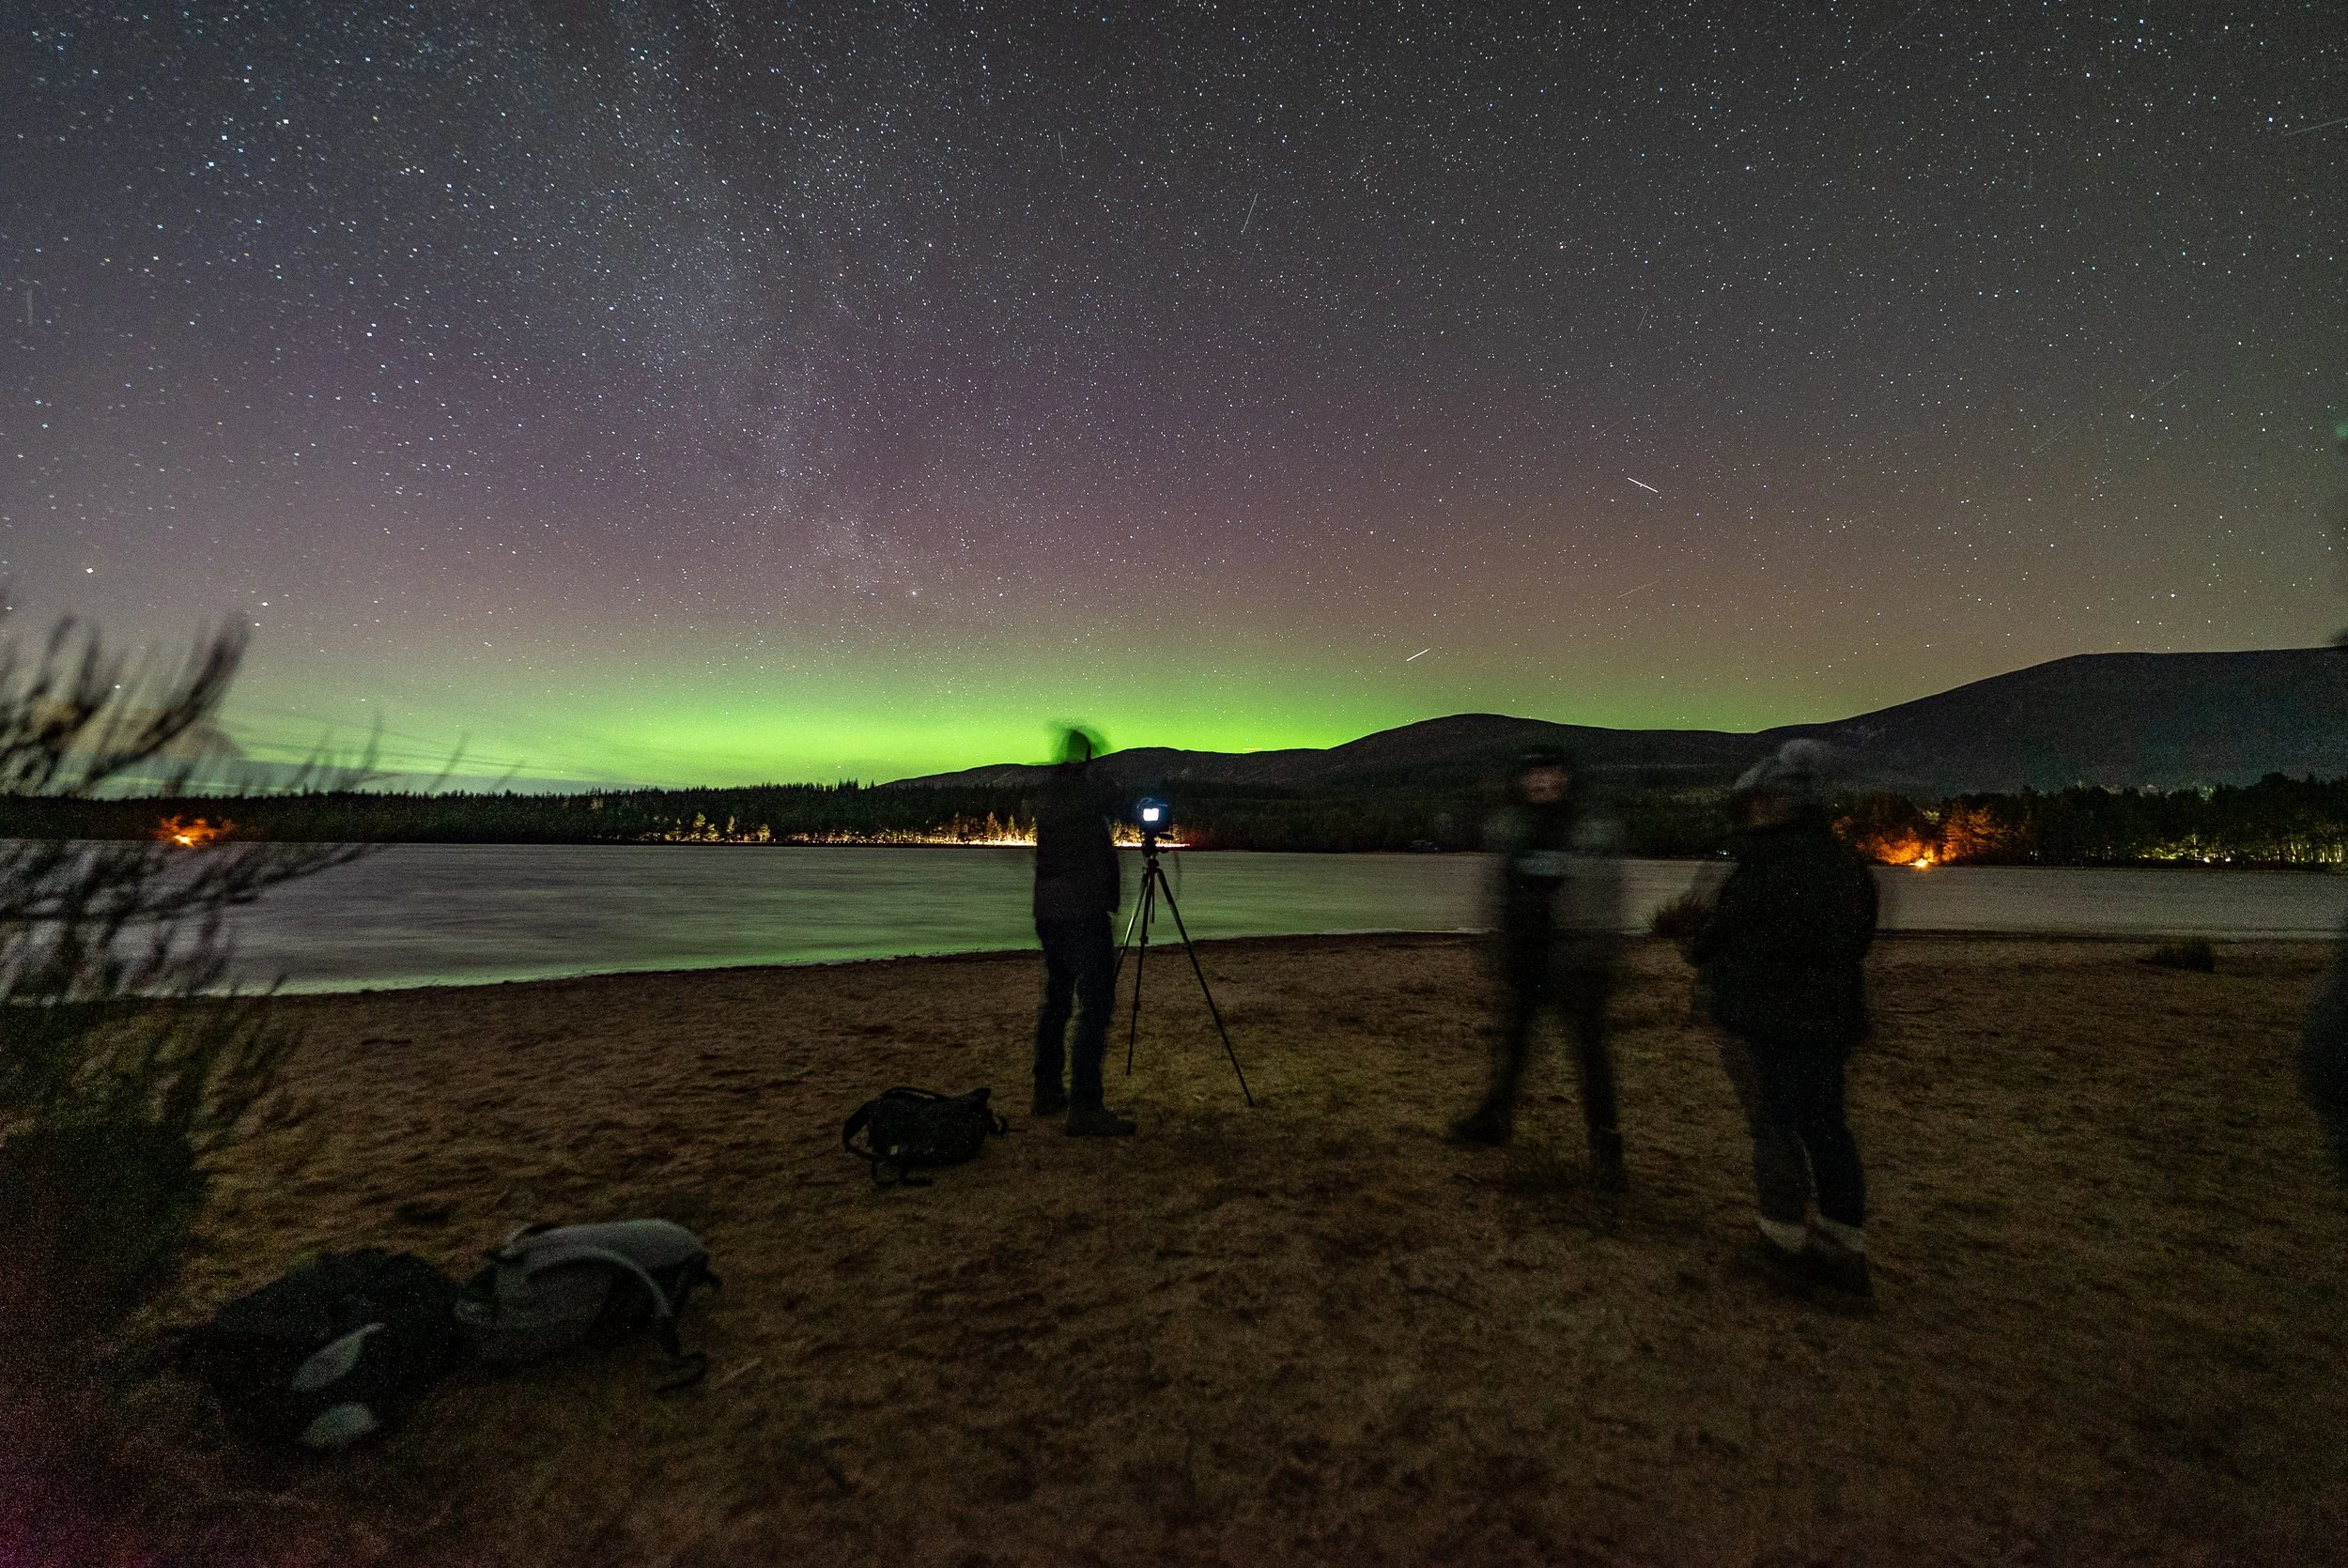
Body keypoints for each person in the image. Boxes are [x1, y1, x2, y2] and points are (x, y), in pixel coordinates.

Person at [1691, 739, 1880, 1298]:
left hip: (1772, 1019)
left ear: (1783, 803)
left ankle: (1782, 1239)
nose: (1755, 811)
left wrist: (1700, 946)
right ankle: (1844, 1246)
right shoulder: (1844, 863)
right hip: (1829, 1017)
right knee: (1826, 1126)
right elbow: (1857, 939)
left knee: (1776, 1125)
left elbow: (1732, 937)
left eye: (1762, 802)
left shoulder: (1766, 864)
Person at [1448, 746, 1630, 1192]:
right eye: (1535, 775)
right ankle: (1495, 1120)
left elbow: (1610, 895)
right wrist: (1494, 942)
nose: (1543, 782)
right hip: (1525, 955)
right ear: (1524, 781)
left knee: (1590, 1057)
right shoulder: (1512, 827)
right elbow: (1497, 887)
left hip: (1576, 958)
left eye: (1551, 773)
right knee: (1512, 1046)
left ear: (1565, 778)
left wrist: (1605, 954)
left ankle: (1607, 1150)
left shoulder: (1592, 828)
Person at [1030, 727, 1135, 1137]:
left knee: (1057, 1000)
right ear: (1087, 758)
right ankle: (1085, 1106)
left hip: (1048, 910)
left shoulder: (1049, 794)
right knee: (1095, 1006)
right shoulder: (1087, 793)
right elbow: (1119, 801)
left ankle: (1046, 1090)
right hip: (1083, 911)